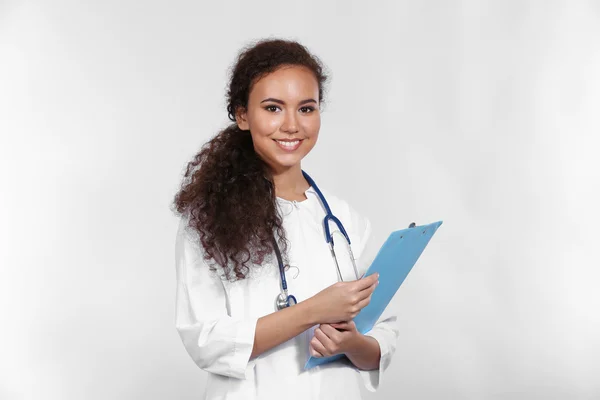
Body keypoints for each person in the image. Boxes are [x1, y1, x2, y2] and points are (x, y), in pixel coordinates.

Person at [171, 38, 399, 400]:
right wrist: (312, 311)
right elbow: (206, 342)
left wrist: (354, 344)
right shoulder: (209, 219)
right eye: (273, 108)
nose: (292, 125)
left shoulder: (345, 220)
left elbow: (382, 337)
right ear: (243, 115)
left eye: (306, 109)